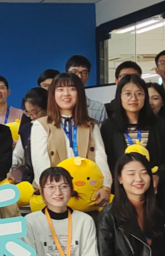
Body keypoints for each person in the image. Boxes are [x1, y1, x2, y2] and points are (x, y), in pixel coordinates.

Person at [99, 75, 165, 210]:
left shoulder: (158, 125)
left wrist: (158, 177)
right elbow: (106, 163)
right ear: (119, 97)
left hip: (156, 198)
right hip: (121, 198)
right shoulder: (109, 127)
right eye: (128, 94)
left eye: (139, 94)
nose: (133, 98)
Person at [29, 72, 110, 204]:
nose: (66, 94)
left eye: (72, 89)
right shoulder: (41, 125)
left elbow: (100, 158)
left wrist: (105, 187)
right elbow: (40, 163)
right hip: (54, 193)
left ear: (80, 93)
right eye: (60, 89)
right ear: (53, 94)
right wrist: (53, 190)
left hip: (87, 191)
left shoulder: (91, 125)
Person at [11, 87, 47, 183]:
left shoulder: (57, 128)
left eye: (35, 112)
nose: (32, 117)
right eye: (28, 113)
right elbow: (17, 156)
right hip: (32, 181)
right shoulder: (27, 129)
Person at [64, 55, 105, 124]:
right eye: (74, 72)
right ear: (66, 75)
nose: (79, 76)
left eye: (84, 73)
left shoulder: (98, 108)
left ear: (88, 76)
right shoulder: (57, 105)